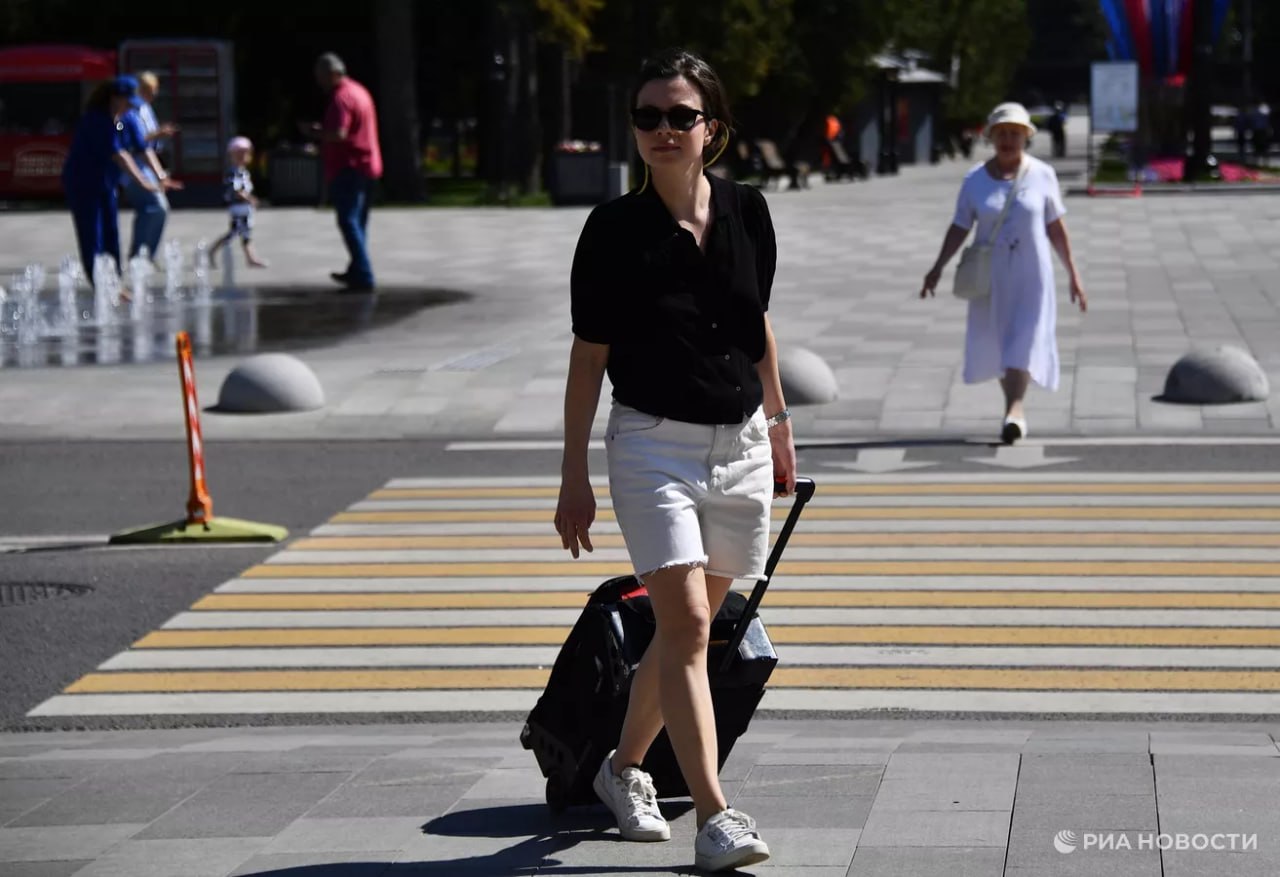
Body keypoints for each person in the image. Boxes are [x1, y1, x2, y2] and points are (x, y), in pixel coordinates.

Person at [553, 48, 795, 873]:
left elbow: (756, 325)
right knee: (687, 623)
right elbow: (589, 358)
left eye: (680, 115)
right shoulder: (611, 231)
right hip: (653, 444)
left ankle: (622, 767)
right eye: (647, 116)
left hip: (741, 444)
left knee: (688, 628)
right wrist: (574, 476)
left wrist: (780, 423)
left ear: (711, 128)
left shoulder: (748, 211)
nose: (663, 129)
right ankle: (717, 814)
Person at [919, 102, 1087, 444]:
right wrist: (937, 267)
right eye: (1002, 134)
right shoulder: (975, 180)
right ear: (991, 138)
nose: (1008, 140)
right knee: (999, 342)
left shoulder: (1043, 175)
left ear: (1026, 137)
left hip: (1032, 275)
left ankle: (1014, 410)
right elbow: (960, 226)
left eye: (1015, 134)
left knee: (1025, 339)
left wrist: (1073, 273)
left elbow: (1056, 227)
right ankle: (1013, 407)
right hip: (992, 277)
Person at [60, 77, 160, 279]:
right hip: (83, 184)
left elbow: (142, 148)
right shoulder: (96, 119)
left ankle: (115, 281)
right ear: (114, 98)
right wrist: (143, 182)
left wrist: (160, 176)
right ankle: (98, 282)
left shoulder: (127, 118)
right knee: (92, 234)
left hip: (106, 184)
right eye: (127, 102)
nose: (130, 108)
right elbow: (120, 155)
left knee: (111, 232)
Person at [309, 52, 382, 291]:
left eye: (321, 76)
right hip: (368, 164)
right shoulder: (359, 91)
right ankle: (356, 270)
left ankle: (364, 273)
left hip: (349, 166)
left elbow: (339, 134)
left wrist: (316, 133)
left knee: (348, 220)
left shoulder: (341, 98)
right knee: (359, 223)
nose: (319, 81)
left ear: (333, 74)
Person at [118, 75, 181, 262]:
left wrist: (160, 175)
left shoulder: (144, 108)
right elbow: (136, 144)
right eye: (148, 91)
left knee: (155, 209)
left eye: (154, 92)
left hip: (146, 165)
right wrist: (157, 134)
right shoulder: (129, 112)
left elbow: (145, 147)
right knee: (155, 206)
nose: (153, 96)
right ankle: (140, 255)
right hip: (133, 167)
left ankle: (144, 255)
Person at [209, 136, 268, 268]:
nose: (243, 156)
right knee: (234, 232)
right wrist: (250, 199)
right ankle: (212, 251)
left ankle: (251, 258)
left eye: (245, 152)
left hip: (244, 208)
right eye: (239, 153)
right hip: (238, 208)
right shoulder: (233, 172)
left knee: (245, 233)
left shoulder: (243, 171)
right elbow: (236, 189)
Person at [135, 71, 179, 159]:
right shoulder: (132, 110)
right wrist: (158, 134)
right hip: (139, 158)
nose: (154, 94)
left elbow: (150, 130)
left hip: (151, 154)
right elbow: (135, 138)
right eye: (150, 91)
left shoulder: (146, 107)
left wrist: (161, 131)